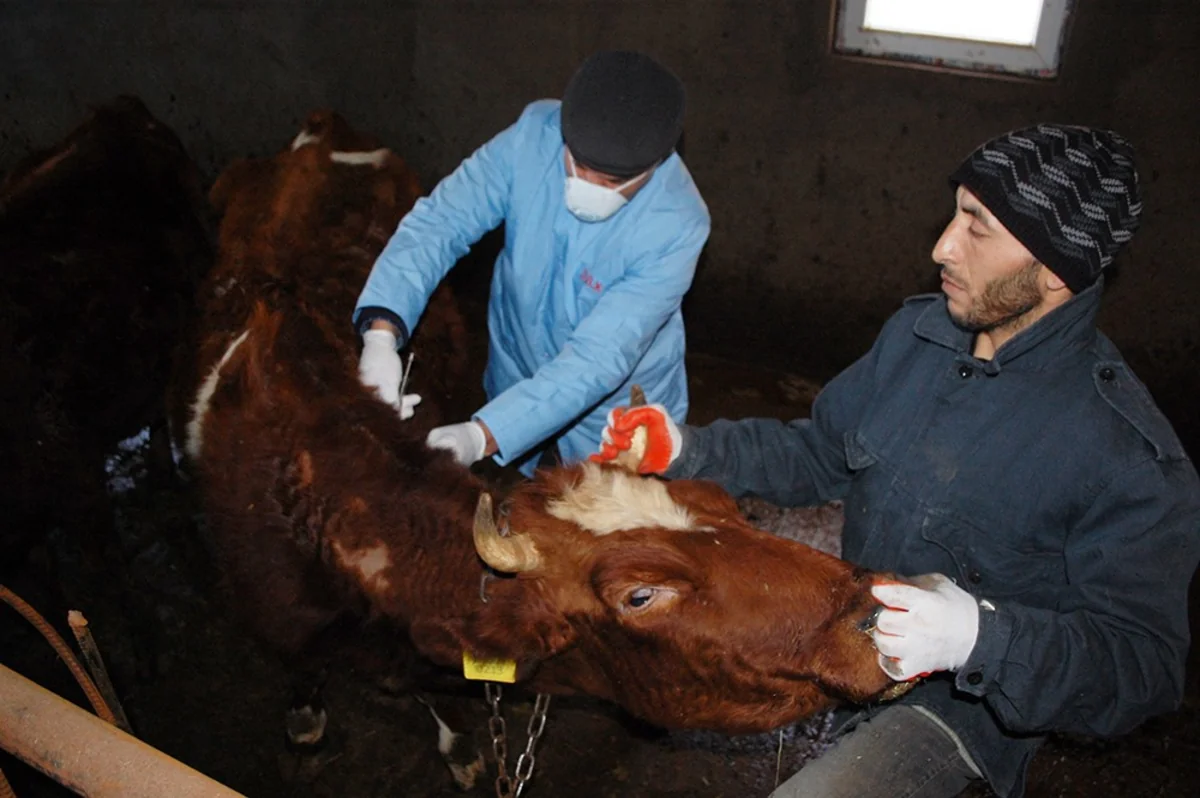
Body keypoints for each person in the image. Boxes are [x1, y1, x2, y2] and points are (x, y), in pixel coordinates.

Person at [592, 124, 1200, 798]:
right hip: (847, 624)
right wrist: (686, 447)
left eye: (978, 226)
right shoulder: (920, 335)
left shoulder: (1129, 457)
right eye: (956, 212)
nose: (943, 245)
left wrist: (977, 638)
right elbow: (819, 452)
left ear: (1055, 269)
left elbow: (1142, 668)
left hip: (955, 707)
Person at [354, 50, 710, 474]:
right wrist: (382, 332)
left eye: (612, 181)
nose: (587, 185)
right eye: (577, 163)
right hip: (517, 364)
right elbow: (441, 222)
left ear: (654, 167)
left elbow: (598, 359)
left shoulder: (676, 224)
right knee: (509, 499)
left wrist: (483, 434)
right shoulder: (532, 138)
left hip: (613, 411)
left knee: (607, 516)